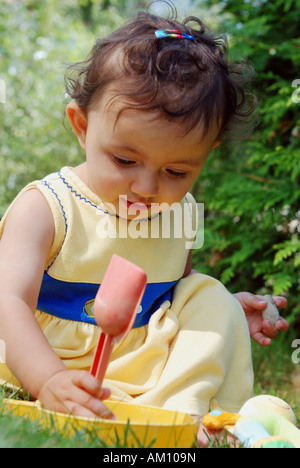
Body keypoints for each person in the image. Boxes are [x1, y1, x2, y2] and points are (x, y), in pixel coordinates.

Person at [0, 5, 288, 423]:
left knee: (209, 294)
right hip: (46, 356)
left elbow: (173, 290)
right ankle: (101, 400)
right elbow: (8, 301)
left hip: (140, 363)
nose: (147, 188)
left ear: (205, 157)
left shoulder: (181, 212)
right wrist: (47, 380)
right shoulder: (47, 207)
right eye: (124, 160)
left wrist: (221, 313)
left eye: (176, 171)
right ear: (81, 127)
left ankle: (182, 415)